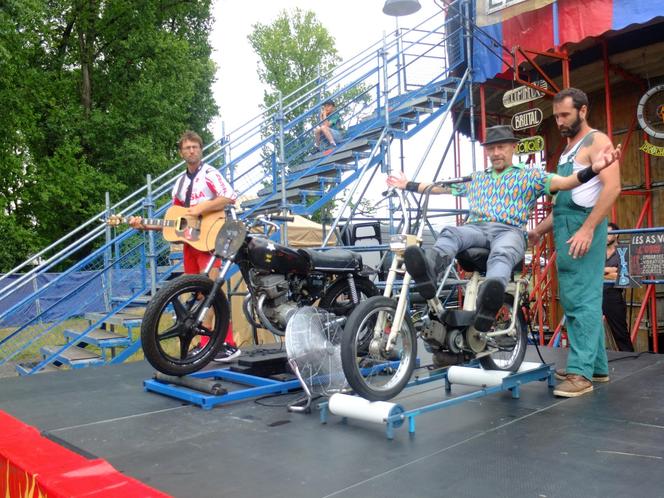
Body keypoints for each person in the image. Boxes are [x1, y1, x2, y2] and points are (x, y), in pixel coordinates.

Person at [387, 124, 620, 335]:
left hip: (510, 229)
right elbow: (437, 189)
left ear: (512, 148)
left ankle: (492, 294)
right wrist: (406, 184)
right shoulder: (476, 178)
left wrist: (594, 169)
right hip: (477, 228)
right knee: (451, 232)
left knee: (503, 251)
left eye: (500, 147)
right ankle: (430, 268)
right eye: (491, 149)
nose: (496, 153)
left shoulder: (530, 176)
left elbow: (566, 182)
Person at [529, 88, 622, 397]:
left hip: (584, 229)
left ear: (583, 111)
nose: (560, 121)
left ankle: (580, 375)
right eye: (556, 116)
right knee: (574, 299)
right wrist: (539, 230)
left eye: (565, 115)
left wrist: (588, 229)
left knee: (583, 299)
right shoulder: (569, 147)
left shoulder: (597, 141)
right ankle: (596, 367)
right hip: (567, 226)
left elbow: (612, 188)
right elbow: (563, 204)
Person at [130, 131, 241, 362]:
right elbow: (177, 220)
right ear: (181, 153)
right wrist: (145, 226)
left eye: (195, 147)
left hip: (211, 240)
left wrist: (202, 208)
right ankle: (206, 344)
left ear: (201, 150)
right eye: (187, 147)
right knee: (200, 294)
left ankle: (225, 344)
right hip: (191, 243)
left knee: (212, 292)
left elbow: (229, 196)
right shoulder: (179, 183)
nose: (191, 150)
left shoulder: (210, 173)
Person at [603, 222, 634, 352]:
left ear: (616, 235)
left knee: (620, 333)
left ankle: (630, 361)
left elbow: (624, 277)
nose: (605, 236)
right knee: (588, 330)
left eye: (608, 233)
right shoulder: (597, 252)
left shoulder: (624, 250)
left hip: (613, 296)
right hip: (595, 294)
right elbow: (589, 271)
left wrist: (601, 272)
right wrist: (609, 270)